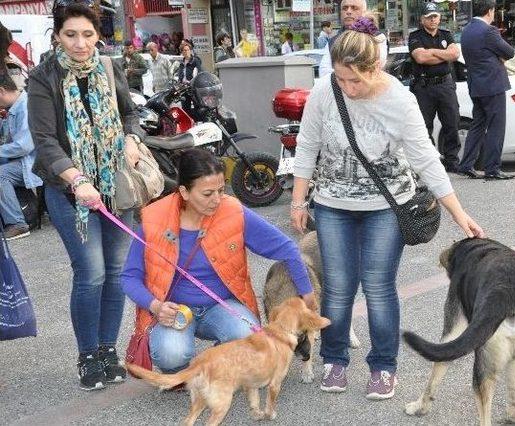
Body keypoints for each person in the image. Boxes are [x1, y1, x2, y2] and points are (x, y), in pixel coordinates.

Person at [290, 18, 484, 400]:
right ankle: (334, 358)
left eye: (355, 80)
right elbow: (307, 146)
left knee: (378, 287)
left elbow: (426, 159)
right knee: (340, 286)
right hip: (332, 204)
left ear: (374, 67)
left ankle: (383, 366)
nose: (348, 88)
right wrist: (298, 200)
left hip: (386, 205)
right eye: (341, 79)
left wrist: (459, 214)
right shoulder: (324, 92)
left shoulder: (398, 99)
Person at [27, 2, 144, 391]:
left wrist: (129, 138)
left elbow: (130, 113)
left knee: (115, 271)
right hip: (67, 189)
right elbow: (44, 141)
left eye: (88, 34)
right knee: (91, 273)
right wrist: (77, 179)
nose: (80, 43)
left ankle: (108, 350)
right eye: (71, 34)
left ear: (99, 35)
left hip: (115, 187)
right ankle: (87, 354)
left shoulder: (109, 67)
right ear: (57, 35)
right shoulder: (43, 77)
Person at [121, 148, 317, 373]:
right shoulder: (154, 218)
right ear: (184, 192)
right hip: (174, 311)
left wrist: (307, 293)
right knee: (171, 355)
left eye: (221, 190)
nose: (217, 200)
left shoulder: (232, 210)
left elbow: (287, 248)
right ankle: (183, 367)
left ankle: (214, 364)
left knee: (248, 340)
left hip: (223, 306)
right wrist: (155, 306)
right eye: (207, 194)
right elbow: (129, 276)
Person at [457, 0, 515, 180]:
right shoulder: (489, 31)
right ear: (490, 11)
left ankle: (466, 164)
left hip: (476, 85)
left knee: (478, 125)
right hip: (493, 84)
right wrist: (499, 57)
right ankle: (492, 169)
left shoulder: (466, 31)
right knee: (496, 126)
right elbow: (509, 52)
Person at [408, 2, 461, 173]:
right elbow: (421, 58)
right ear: (422, 19)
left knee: (452, 124)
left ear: (439, 17)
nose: (433, 20)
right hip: (424, 87)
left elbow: (455, 54)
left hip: (445, 85)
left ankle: (452, 161)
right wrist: (443, 54)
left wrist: (432, 52)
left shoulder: (446, 34)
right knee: (423, 127)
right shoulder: (415, 36)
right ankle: (432, 161)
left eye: (435, 16)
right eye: (429, 17)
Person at [0, 73, 42, 239]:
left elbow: (24, 146)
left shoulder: (25, 106)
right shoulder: (13, 109)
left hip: (35, 162)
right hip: (24, 161)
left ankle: (17, 223)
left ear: (1, 90)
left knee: (1, 174)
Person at [318, 0, 387, 77]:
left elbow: (375, 68)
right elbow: (324, 72)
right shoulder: (332, 41)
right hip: (338, 88)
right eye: (345, 8)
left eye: (354, 8)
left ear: (364, 12)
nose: (348, 11)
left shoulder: (377, 37)